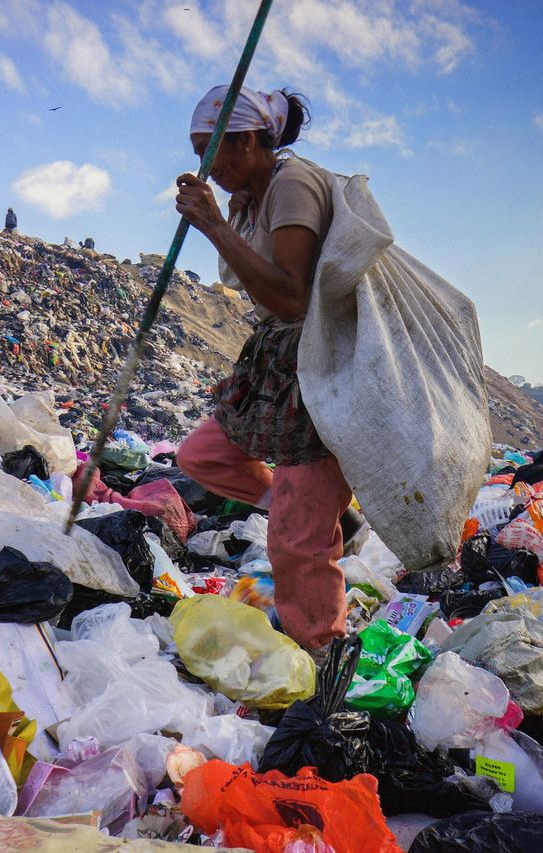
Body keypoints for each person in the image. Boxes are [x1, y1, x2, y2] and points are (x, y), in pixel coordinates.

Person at [172, 84, 362, 652]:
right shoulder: (249, 201)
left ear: (251, 140)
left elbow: (292, 297)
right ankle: (328, 518)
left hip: (322, 362)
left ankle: (321, 660)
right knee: (203, 455)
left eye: (212, 148)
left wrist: (214, 226)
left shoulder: (292, 184)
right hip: (278, 358)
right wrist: (223, 220)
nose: (204, 164)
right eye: (196, 149)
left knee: (296, 544)